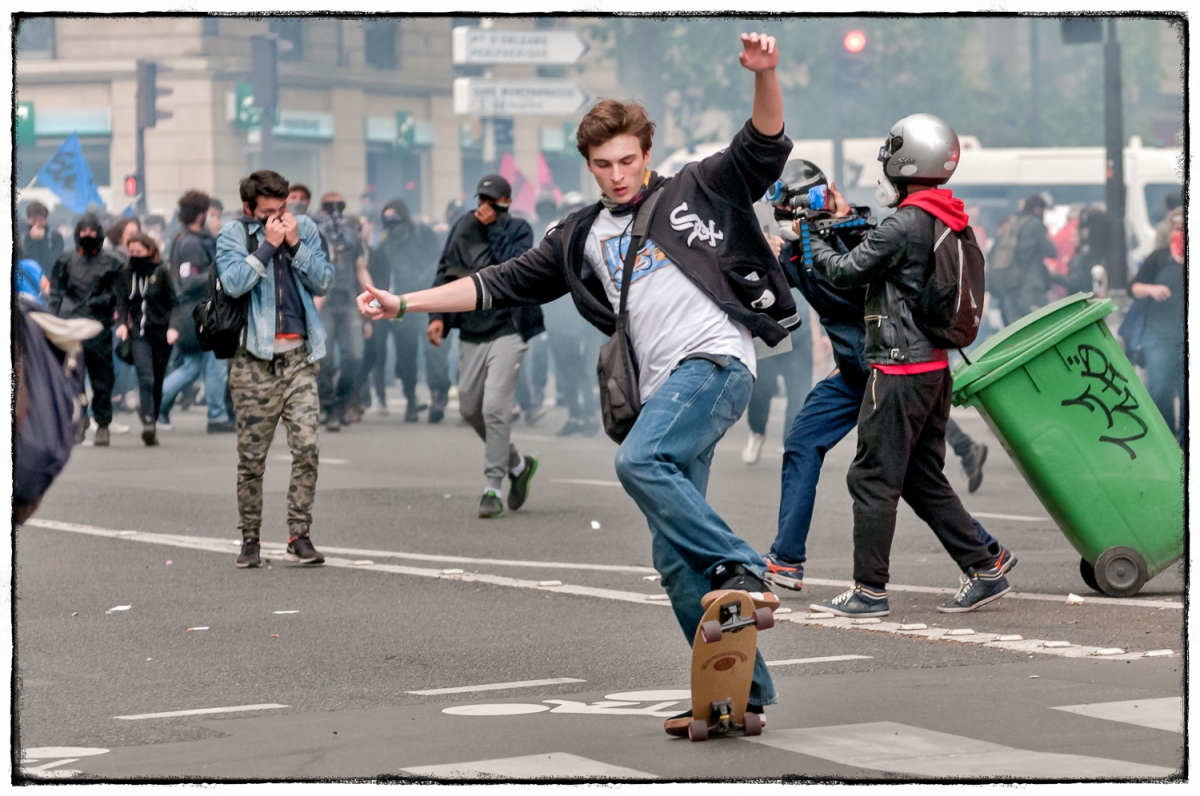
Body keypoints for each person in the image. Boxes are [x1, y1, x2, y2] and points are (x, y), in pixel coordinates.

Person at [360, 32, 796, 730]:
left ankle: (744, 568)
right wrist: (405, 303)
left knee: (639, 461)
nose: (618, 174)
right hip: (663, 391)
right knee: (673, 558)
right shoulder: (579, 233)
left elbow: (763, 147)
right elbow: (495, 284)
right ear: (590, 166)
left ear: (645, 154)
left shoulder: (696, 188)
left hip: (714, 364)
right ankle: (736, 698)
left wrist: (766, 75)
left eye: (627, 160)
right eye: (604, 164)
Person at [758, 176, 1009, 593]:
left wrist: (818, 236)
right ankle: (787, 559)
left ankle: (882, 582)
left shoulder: (850, 235)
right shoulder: (822, 242)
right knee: (816, 445)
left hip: (884, 364)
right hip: (861, 366)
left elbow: (846, 278)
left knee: (894, 475)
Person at [806, 114, 1011, 618]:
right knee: (921, 478)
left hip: (897, 371)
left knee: (872, 479)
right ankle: (984, 569)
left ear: (905, 160)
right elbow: (878, 249)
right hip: (933, 369)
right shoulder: (946, 216)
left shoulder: (905, 223)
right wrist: (839, 220)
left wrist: (810, 234)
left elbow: (845, 271)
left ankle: (868, 591)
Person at [215, 170, 335, 569]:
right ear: (250, 209)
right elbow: (232, 283)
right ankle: (250, 537)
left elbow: (324, 281)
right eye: (268, 211)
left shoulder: (304, 228)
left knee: (308, 448)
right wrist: (268, 246)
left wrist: (296, 244)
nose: (279, 218)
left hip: (299, 356)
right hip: (253, 360)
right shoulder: (234, 234)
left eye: (283, 208)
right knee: (252, 458)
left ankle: (298, 534)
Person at [421, 174, 544, 518]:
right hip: (471, 331)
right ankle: (519, 465)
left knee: (494, 409)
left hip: (508, 329)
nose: (485, 207)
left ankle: (492, 487)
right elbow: (445, 272)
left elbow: (512, 269)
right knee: (469, 409)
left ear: (506, 200)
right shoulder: (463, 226)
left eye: (493, 200)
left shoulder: (519, 229)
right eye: (481, 200)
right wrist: (437, 316)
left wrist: (492, 228)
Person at [158, 190, 236, 433]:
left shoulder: (187, 239)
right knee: (215, 364)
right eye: (213, 215)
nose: (217, 220)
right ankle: (217, 415)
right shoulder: (191, 243)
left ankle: (155, 402)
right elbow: (189, 280)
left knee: (192, 366)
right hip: (201, 309)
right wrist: (218, 271)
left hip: (194, 309)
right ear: (201, 214)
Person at [47, 213, 127, 447]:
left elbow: (121, 297)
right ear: (77, 234)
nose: (88, 236)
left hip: (98, 327)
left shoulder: (112, 263)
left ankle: (102, 423)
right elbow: (56, 294)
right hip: (71, 326)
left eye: (92, 232)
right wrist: (52, 322)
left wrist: (121, 321)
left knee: (102, 378)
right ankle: (79, 420)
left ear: (99, 234)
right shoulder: (65, 260)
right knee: (74, 378)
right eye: (84, 232)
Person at [366, 198, 449, 421]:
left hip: (429, 301)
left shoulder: (423, 234)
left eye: (396, 217)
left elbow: (441, 259)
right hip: (402, 307)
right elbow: (378, 277)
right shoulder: (384, 246)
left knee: (434, 352)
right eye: (388, 219)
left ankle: (437, 396)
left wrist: (427, 278)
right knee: (406, 357)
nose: (393, 223)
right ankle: (411, 401)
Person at [314, 191, 373, 431]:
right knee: (324, 360)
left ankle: (340, 400)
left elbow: (360, 268)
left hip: (348, 302)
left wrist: (372, 293)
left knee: (355, 356)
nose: (335, 211)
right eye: (330, 206)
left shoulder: (350, 236)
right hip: (324, 304)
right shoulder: (315, 235)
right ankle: (328, 405)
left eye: (339, 206)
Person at [116, 233, 178, 446]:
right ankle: (149, 422)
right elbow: (122, 301)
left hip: (161, 333)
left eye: (139, 252)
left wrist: (173, 327)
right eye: (131, 252)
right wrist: (122, 323)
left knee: (158, 380)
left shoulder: (161, 272)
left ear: (150, 251)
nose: (135, 256)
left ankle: (149, 411)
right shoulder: (126, 272)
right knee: (146, 377)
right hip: (138, 334)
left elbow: (174, 303)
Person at [1130, 212, 1185, 445]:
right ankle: (1166, 437)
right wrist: (1152, 290)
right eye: (1177, 229)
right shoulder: (1158, 258)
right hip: (1159, 334)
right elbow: (1133, 287)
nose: (1181, 234)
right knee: (1159, 388)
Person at [993, 194, 1058, 325]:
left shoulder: (1014, 224)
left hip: (1011, 286)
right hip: (1032, 288)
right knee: (1040, 329)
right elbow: (1051, 251)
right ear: (1037, 209)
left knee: (1017, 332)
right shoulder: (1034, 225)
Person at [22, 201, 65, 275]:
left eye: (41, 219)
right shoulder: (21, 238)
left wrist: (41, 241)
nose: (37, 223)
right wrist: (33, 241)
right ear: (28, 219)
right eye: (34, 219)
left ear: (46, 219)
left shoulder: (55, 237)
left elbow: (53, 263)